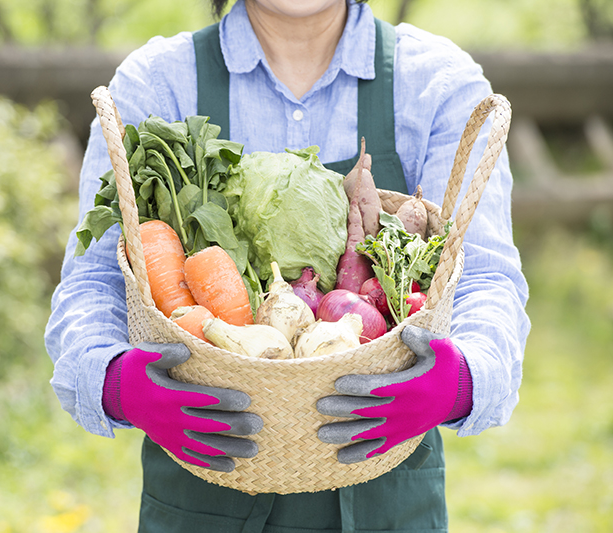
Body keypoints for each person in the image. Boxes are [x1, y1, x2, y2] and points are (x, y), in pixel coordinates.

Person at [45, 0, 531, 531]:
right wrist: (116, 382)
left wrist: (461, 381)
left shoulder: (435, 82)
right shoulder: (159, 82)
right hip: (202, 495)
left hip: (388, 500)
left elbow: (484, 275)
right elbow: (94, 281)